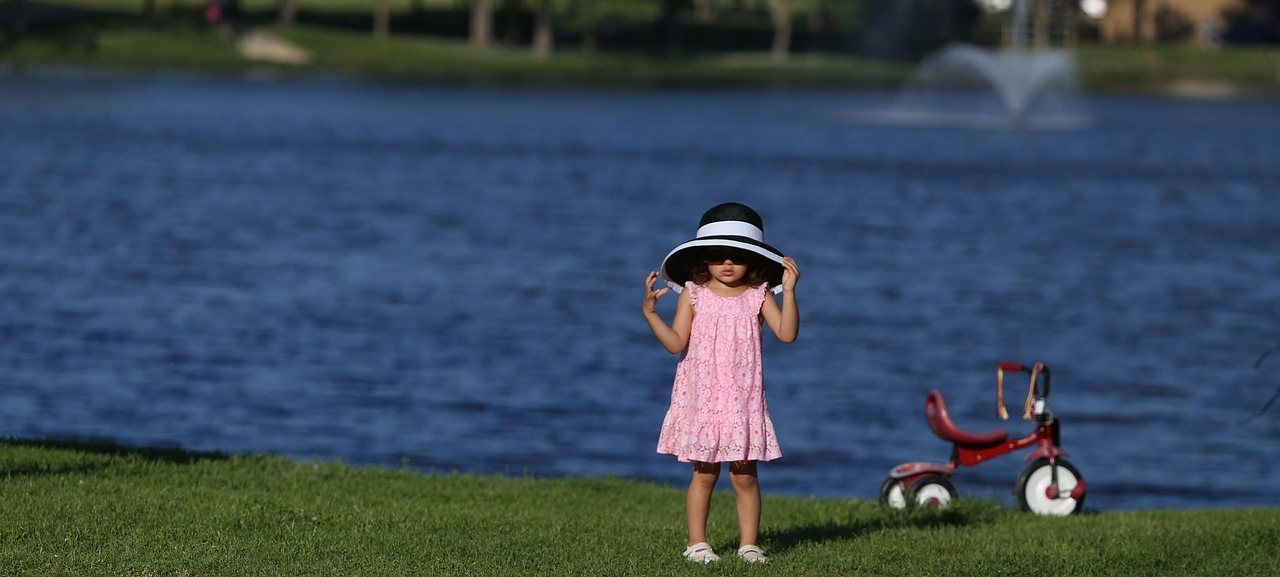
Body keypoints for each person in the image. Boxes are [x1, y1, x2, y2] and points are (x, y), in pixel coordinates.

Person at [642, 202, 800, 564]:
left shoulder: (758, 295)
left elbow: (787, 334)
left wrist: (788, 292)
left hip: (743, 402)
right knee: (704, 473)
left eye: (738, 255)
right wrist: (651, 314)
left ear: (754, 259)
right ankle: (697, 544)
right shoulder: (692, 294)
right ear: (702, 258)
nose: (727, 263)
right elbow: (676, 342)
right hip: (703, 401)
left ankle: (749, 545)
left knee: (745, 476)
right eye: (717, 255)